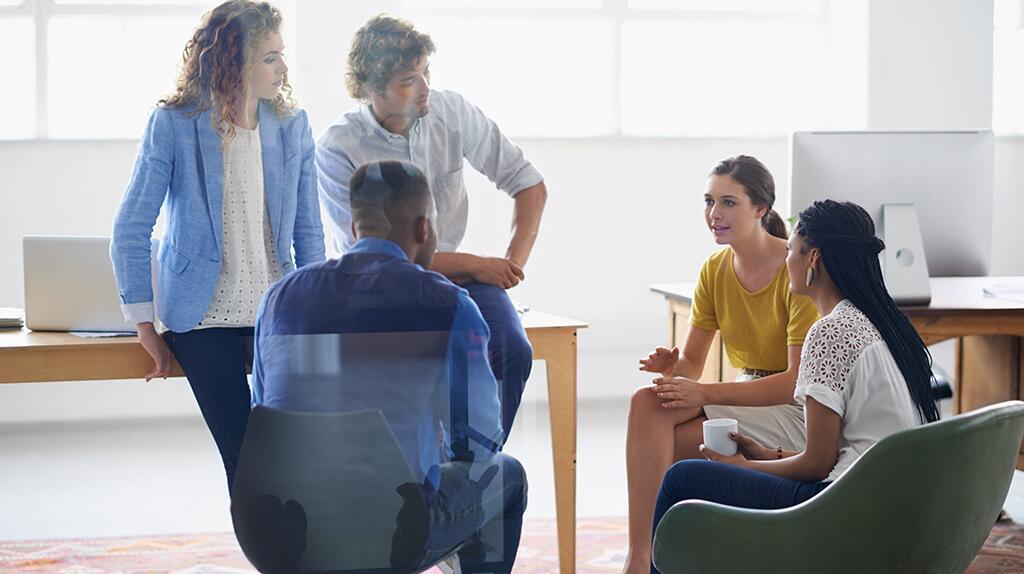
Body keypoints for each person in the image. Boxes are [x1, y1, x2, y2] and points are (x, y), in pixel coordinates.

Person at [251, 160, 527, 573]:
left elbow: (265, 413)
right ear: (424, 229)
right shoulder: (447, 303)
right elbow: (478, 444)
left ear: (353, 228)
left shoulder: (280, 297)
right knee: (505, 476)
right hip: (385, 534)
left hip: (273, 530)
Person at [649, 199, 941, 573]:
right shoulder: (879, 320)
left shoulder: (830, 332)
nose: (785, 260)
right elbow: (837, 449)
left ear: (812, 259)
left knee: (682, 478)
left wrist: (745, 467)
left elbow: (817, 465)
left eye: (790, 250)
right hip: (884, 500)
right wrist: (767, 455)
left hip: (843, 505)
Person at [110, 0, 325, 491]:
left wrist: (317, 315)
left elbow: (310, 233)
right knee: (247, 456)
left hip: (278, 313)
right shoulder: (174, 123)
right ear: (234, 60)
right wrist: (144, 323)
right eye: (270, 57)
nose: (283, 68)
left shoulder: (292, 126)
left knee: (296, 451)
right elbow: (131, 226)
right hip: (202, 319)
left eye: (281, 54)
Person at [316, 14, 547, 436]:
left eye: (426, 73)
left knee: (511, 349)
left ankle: (479, 473)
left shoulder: (451, 111)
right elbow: (367, 260)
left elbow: (529, 185)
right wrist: (476, 264)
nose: (424, 89)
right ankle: (423, 473)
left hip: (454, 276)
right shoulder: (338, 146)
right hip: (376, 286)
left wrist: (509, 267)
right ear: (369, 88)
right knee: (411, 369)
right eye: (408, 79)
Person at [623, 155, 819, 573]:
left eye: (729, 202)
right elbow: (693, 363)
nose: (714, 214)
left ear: (761, 209)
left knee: (668, 450)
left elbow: (791, 383)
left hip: (795, 409)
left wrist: (705, 392)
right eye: (709, 201)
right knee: (646, 401)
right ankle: (640, 556)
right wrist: (673, 368)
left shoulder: (795, 270)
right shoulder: (714, 269)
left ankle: (671, 554)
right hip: (745, 396)